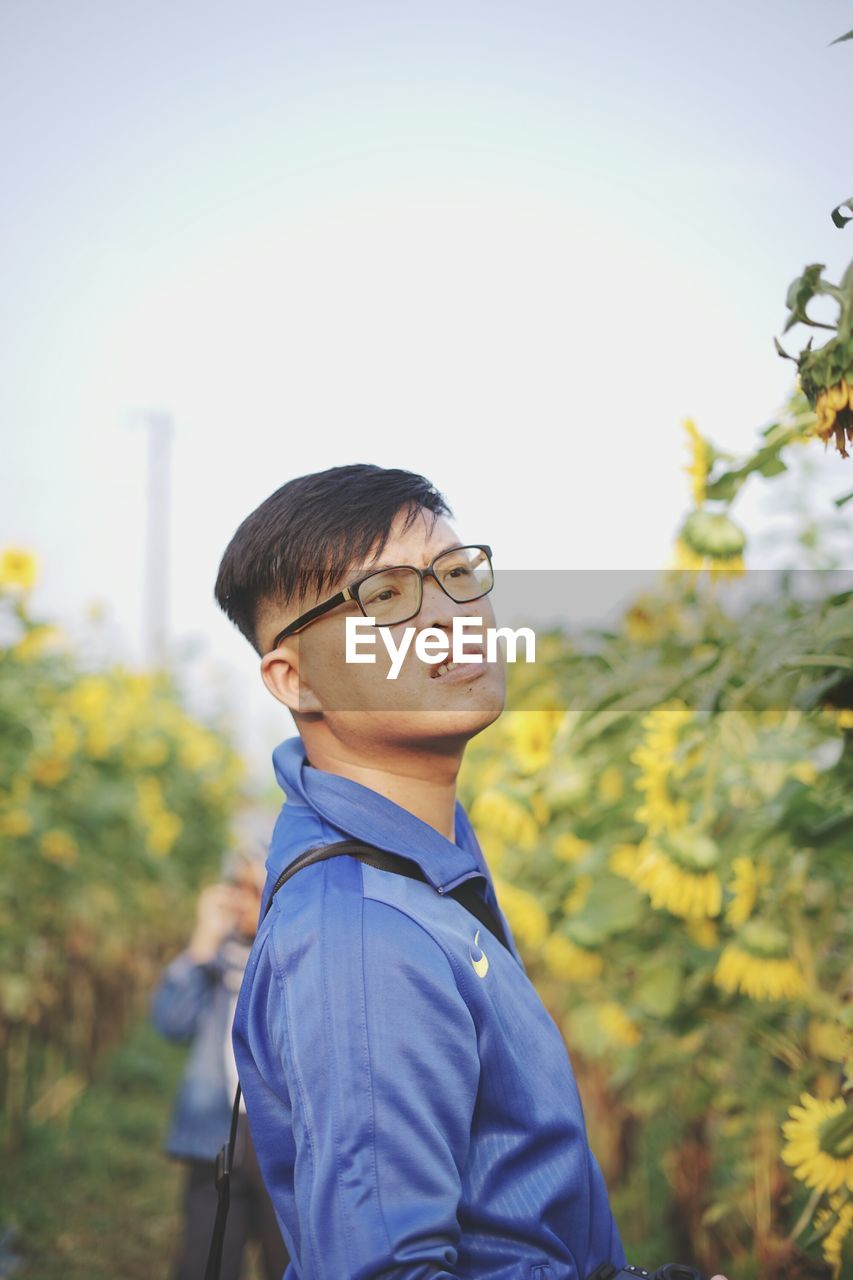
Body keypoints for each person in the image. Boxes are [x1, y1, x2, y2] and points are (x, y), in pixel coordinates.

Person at [213, 463, 729, 1280]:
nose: (449, 618)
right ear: (294, 679)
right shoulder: (362, 937)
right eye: (384, 597)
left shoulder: (425, 862)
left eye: (456, 575)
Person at [151, 850, 290, 1280]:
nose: (242, 900)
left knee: (288, 1264)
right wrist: (202, 940)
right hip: (216, 1135)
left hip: (284, 1140)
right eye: (236, 887)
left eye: (254, 888)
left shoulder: (293, 961)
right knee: (204, 1265)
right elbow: (171, 1023)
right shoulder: (211, 964)